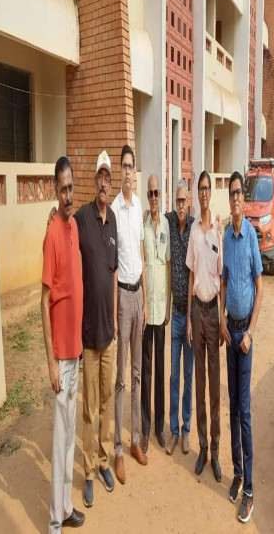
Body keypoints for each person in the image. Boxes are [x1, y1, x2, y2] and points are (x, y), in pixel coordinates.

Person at [41, 156, 85, 533]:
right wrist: (51, 362)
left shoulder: (73, 227)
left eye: (71, 188)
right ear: (55, 191)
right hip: (62, 358)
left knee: (70, 437)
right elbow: (44, 302)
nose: (68, 195)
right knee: (59, 443)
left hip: (77, 352)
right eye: (63, 189)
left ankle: (66, 507)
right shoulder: (53, 233)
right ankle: (54, 522)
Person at [220, 171, 263, 524]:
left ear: (243, 199)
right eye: (232, 193)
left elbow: (260, 287)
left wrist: (250, 332)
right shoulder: (226, 236)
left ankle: (249, 489)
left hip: (244, 339)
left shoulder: (249, 236)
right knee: (232, 406)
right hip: (228, 335)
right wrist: (221, 317)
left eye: (238, 193)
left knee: (245, 412)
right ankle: (237, 473)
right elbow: (224, 281)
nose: (235, 198)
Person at [76, 151, 118, 507]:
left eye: (108, 177)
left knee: (106, 401)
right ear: (94, 182)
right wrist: (53, 215)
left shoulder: (113, 219)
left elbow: (114, 273)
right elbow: (63, 229)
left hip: (109, 333)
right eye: (99, 177)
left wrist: (116, 318)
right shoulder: (82, 218)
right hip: (89, 335)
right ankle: (88, 471)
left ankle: (104, 461)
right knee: (89, 407)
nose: (104, 183)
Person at [111, 144, 148, 484]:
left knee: (137, 373)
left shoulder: (137, 207)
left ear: (134, 171)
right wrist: (114, 309)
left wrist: (146, 301)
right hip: (122, 297)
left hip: (138, 296)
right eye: (122, 166)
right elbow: (113, 267)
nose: (126, 172)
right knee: (122, 377)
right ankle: (118, 449)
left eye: (130, 166)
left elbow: (140, 252)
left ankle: (135, 440)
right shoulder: (113, 210)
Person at [186, 170, 222, 482]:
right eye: (201, 188)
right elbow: (190, 274)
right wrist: (188, 317)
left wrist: (222, 318)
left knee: (214, 387)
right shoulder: (195, 232)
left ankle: (216, 451)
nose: (204, 192)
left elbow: (222, 277)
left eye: (207, 188)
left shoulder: (218, 230)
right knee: (199, 384)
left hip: (213, 314)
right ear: (197, 194)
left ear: (211, 192)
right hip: (197, 312)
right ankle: (201, 448)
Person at [141, 174, 171, 453]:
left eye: (156, 192)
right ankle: (145, 427)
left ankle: (160, 427)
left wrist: (170, 304)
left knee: (160, 369)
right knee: (146, 369)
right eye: (150, 193)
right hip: (145, 309)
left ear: (161, 195)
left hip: (161, 308)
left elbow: (169, 266)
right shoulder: (141, 226)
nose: (153, 197)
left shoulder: (166, 226)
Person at [165, 179, 195, 455]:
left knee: (188, 375)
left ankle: (186, 431)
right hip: (175, 315)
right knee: (174, 376)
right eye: (177, 201)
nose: (181, 205)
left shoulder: (196, 227)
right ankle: (174, 430)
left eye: (184, 200)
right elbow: (152, 217)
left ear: (189, 202)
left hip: (191, 318)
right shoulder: (171, 222)